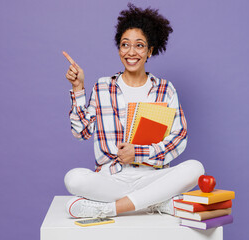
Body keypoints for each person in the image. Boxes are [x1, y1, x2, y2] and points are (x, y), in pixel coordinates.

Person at [62, 3, 204, 218]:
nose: (131, 51)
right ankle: (155, 202)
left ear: (150, 51)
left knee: (196, 169)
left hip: (153, 176)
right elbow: (81, 132)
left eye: (139, 45)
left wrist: (138, 153)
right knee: (73, 179)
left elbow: (179, 138)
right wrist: (78, 88)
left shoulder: (165, 89)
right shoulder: (102, 86)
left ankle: (111, 209)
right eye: (125, 44)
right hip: (111, 178)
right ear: (119, 49)